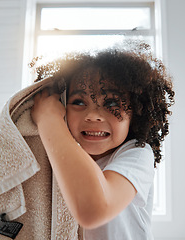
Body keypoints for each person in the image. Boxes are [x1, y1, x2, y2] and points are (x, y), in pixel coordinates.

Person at [30, 42, 175, 239]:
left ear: (136, 114)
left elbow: (93, 210)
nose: (92, 116)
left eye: (111, 103)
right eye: (79, 102)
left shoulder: (137, 154)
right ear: (63, 107)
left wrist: (48, 119)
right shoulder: (57, 158)